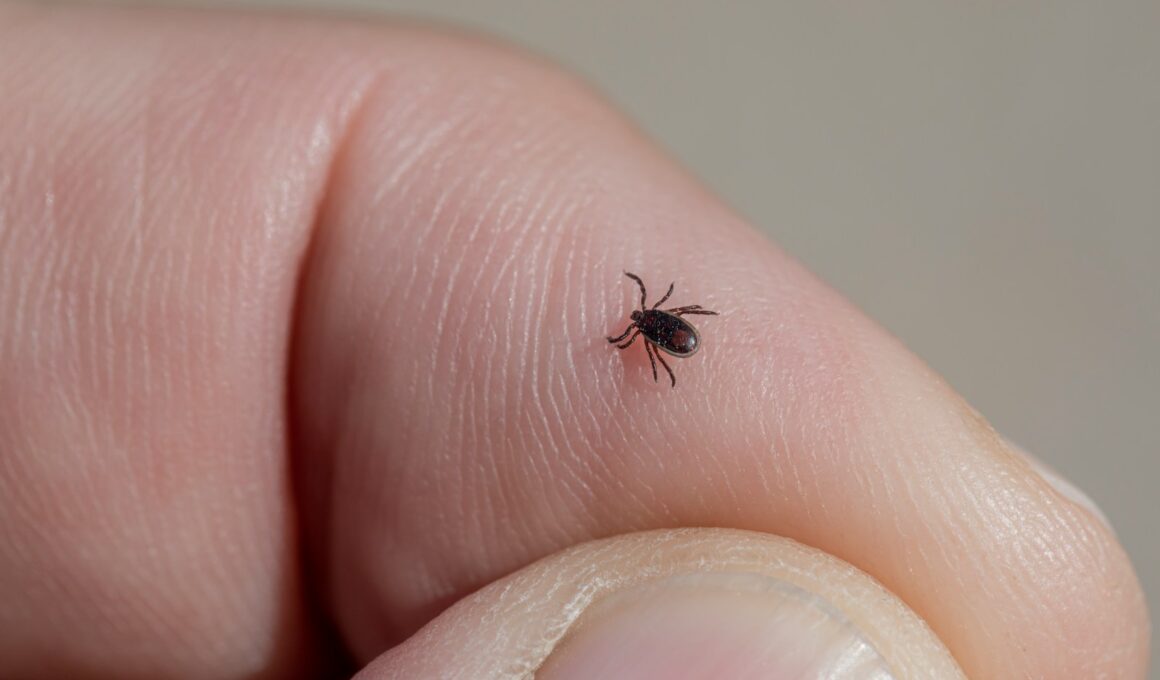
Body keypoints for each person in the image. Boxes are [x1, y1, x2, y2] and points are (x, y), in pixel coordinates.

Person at [0, 4, 1148, 678]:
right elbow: (667, 322)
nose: (651, 326)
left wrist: (651, 339)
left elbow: (662, 327)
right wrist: (655, 337)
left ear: (656, 323)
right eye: (652, 324)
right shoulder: (656, 328)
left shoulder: (652, 331)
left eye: (651, 322)